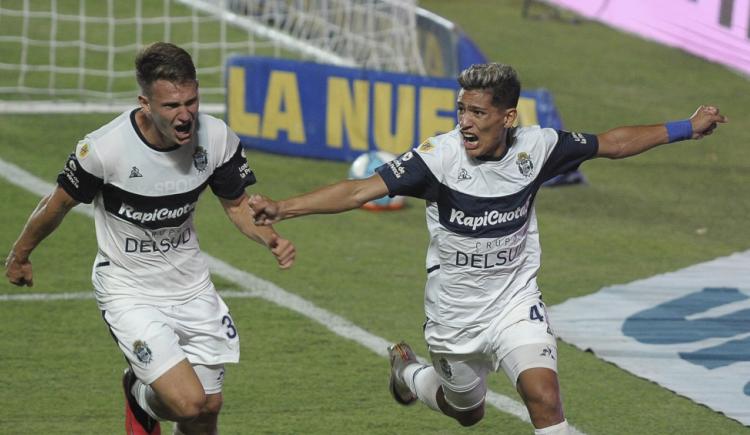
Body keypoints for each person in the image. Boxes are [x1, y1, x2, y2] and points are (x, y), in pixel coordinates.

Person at [247, 62, 726, 434]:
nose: (465, 123)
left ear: (508, 116)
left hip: (515, 303)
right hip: (455, 316)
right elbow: (358, 191)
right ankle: (409, 375)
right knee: (467, 413)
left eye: (477, 113)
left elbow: (611, 143)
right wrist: (283, 208)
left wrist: (686, 127)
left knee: (544, 395)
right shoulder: (438, 159)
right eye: (461, 110)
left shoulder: (537, 148)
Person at [4, 42, 296, 435]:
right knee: (187, 402)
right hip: (129, 289)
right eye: (171, 106)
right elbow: (56, 204)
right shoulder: (105, 149)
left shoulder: (216, 138)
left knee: (208, 408)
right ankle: (139, 393)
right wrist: (20, 254)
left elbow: (237, 204)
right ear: (145, 103)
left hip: (191, 287)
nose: (185, 115)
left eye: (191, 101)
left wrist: (271, 239)